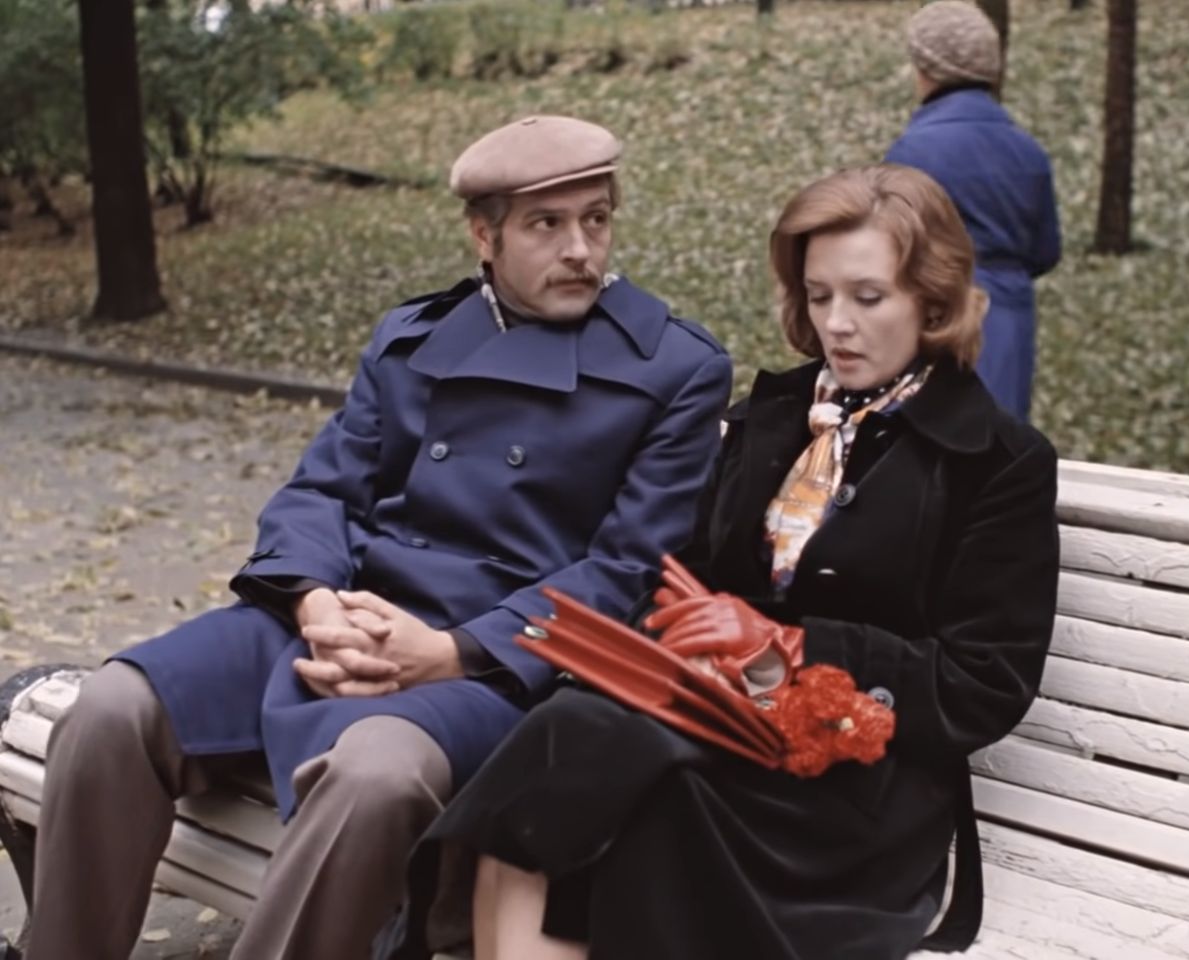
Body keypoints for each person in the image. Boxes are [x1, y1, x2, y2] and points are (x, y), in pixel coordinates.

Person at [25, 115, 732, 960]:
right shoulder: (413, 340)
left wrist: (449, 651)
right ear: (484, 236)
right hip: (347, 616)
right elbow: (321, 490)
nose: (580, 249)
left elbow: (626, 571)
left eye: (596, 219)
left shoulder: (674, 368)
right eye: (547, 224)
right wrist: (316, 605)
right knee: (111, 708)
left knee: (378, 775)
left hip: (500, 666)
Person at [400, 164, 1061, 960]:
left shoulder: (995, 462)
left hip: (853, 796)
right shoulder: (774, 418)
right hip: (711, 733)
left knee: (624, 786)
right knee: (562, 735)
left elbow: (982, 686)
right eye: (818, 296)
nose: (837, 324)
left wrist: (786, 648)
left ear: (931, 297)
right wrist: (673, 641)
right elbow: (680, 579)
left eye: (867, 297)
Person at [885, 0, 1061, 420]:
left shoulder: (911, 153)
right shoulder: (1028, 152)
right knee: (1000, 441)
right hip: (1010, 321)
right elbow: (1045, 252)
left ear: (924, 69)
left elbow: (890, 253)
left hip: (933, 317)